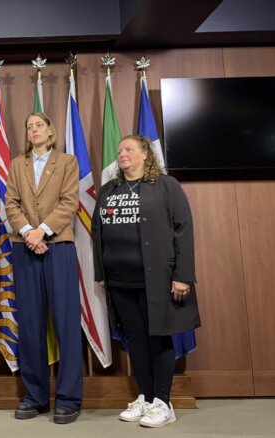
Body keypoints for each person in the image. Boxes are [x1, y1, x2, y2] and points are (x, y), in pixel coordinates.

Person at [93, 134, 201, 428]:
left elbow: (183, 230)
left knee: (158, 338)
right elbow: (97, 232)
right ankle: (145, 396)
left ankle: (164, 402)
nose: (122, 154)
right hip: (119, 281)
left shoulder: (166, 186)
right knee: (136, 341)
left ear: (145, 154)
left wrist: (182, 276)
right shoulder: (108, 189)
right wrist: (101, 273)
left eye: (129, 149)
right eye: (119, 151)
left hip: (157, 280)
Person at [4, 112, 82, 424]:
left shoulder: (67, 162)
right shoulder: (15, 164)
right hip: (25, 249)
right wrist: (28, 233)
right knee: (31, 325)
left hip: (58, 247)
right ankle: (35, 397)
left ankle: (68, 398)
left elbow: (69, 202)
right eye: (29, 126)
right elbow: (11, 203)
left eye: (39, 125)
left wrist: (43, 231)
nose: (33, 130)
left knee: (65, 324)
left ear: (50, 130)